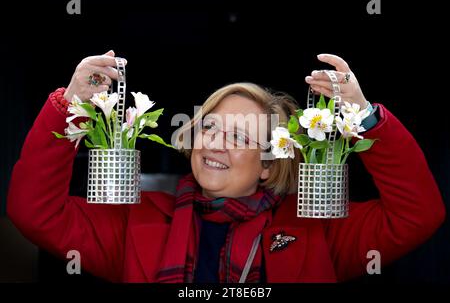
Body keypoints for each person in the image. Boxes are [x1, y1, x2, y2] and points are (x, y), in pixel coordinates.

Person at [6, 50, 445, 283]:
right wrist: (73, 105)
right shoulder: (136, 221)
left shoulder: (318, 231)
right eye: (210, 127)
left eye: (238, 137)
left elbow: (418, 215)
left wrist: (365, 118)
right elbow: (34, 212)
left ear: (268, 168)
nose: (214, 142)